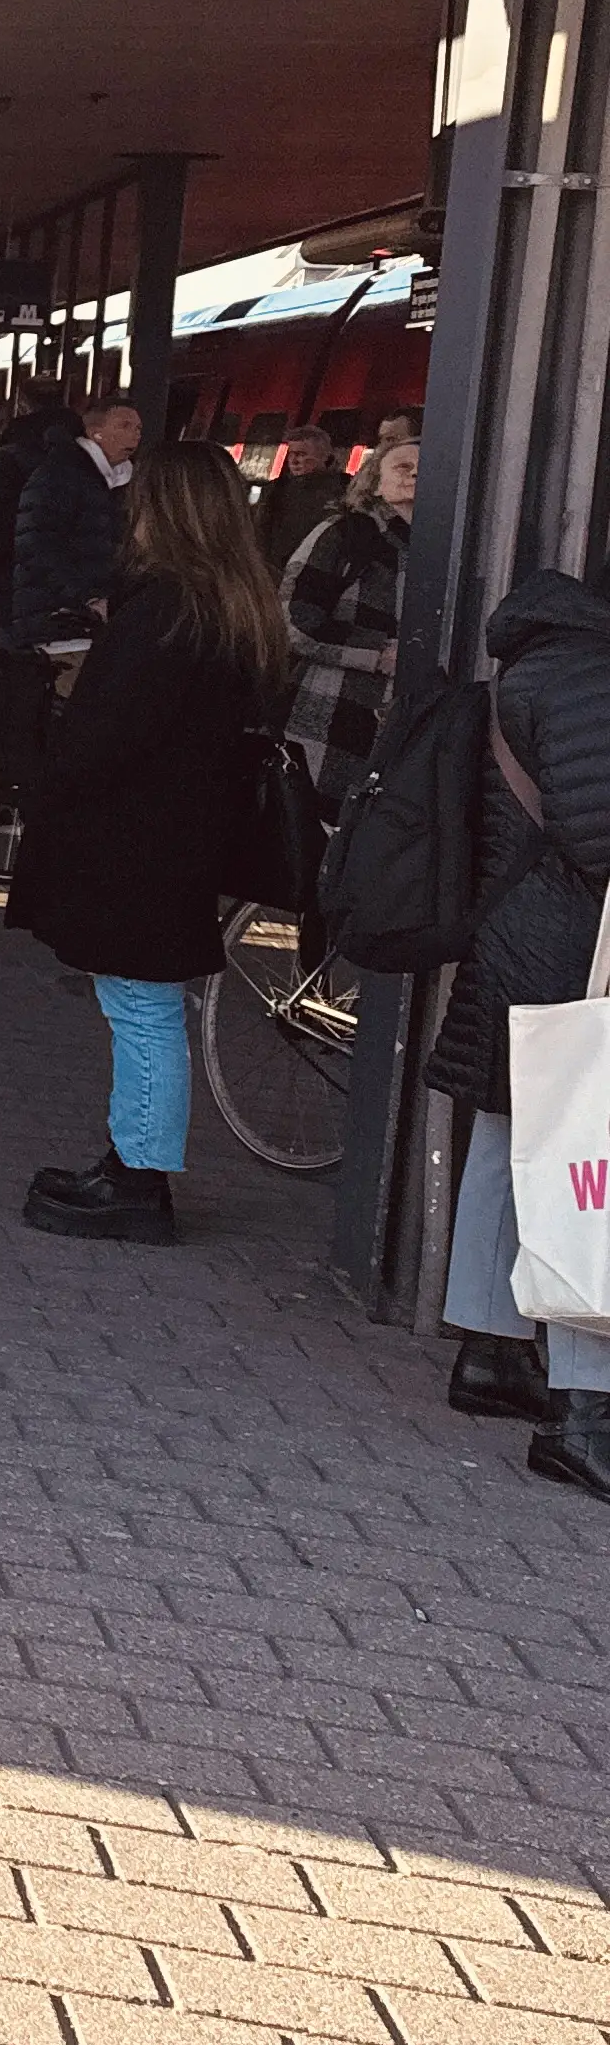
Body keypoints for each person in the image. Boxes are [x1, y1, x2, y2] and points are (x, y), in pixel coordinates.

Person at [6, 441, 288, 1243]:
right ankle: (129, 1161)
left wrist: (54, 735)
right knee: (143, 1002)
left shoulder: (168, 610)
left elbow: (108, 736)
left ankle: (138, 1177)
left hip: (140, 837)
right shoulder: (232, 605)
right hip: (178, 832)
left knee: (141, 1005)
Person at [418, 566, 610, 1500]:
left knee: (509, 1137)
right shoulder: (590, 674)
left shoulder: (540, 662)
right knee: (588, 1168)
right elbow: (599, 833)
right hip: (573, 953)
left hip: (523, 940)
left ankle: (491, 1348)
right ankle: (585, 1404)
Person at [277, 438, 414, 806]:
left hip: (398, 719)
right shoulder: (345, 533)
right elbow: (296, 621)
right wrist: (378, 652)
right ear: (376, 482)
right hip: (332, 712)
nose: (417, 474)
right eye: (403, 466)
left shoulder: (447, 544)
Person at [11, 397, 141, 642]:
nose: (135, 435)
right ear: (95, 432)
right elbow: (36, 546)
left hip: (96, 617)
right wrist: (86, 598)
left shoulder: (127, 483)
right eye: (124, 426)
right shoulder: (59, 476)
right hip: (56, 616)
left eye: (138, 428)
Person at [0, 379, 73, 634]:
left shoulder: (9, 456)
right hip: (68, 585)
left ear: (21, 405)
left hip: (10, 578)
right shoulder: (83, 452)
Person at [255, 426, 343, 576]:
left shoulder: (342, 488)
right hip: (279, 570)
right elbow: (261, 533)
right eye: (291, 454)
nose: (294, 461)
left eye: (301, 454)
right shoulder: (275, 489)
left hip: (320, 571)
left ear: (324, 455)